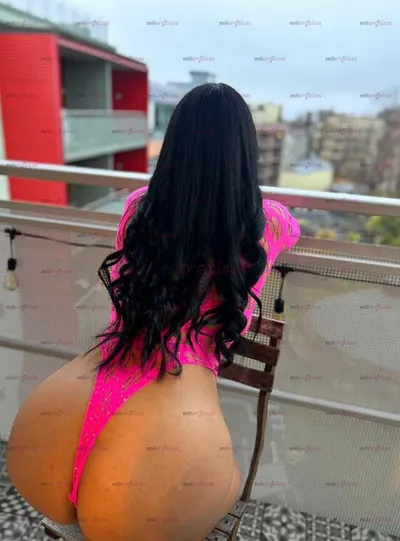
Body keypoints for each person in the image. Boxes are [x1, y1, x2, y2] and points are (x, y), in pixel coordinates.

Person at [6, 83, 300, 541]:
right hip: (170, 444)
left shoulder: (137, 210)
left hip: (50, 428)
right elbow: (291, 226)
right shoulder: (269, 223)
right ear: (245, 153)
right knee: (224, 486)